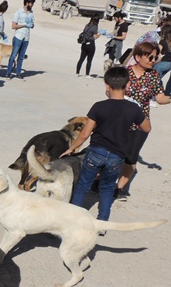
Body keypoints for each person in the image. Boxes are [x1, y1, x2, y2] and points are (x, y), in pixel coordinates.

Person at [61, 67, 148, 224]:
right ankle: (102, 223)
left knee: (83, 186)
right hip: (117, 156)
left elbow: (85, 133)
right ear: (128, 85)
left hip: (95, 152)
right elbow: (147, 127)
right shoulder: (134, 109)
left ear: (107, 85)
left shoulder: (98, 106)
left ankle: (71, 220)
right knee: (107, 189)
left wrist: (72, 148)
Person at [115, 42, 171, 201]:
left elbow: (160, 98)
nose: (154, 60)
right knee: (112, 152)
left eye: (156, 57)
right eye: (150, 57)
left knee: (131, 156)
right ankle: (99, 181)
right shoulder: (125, 73)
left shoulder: (154, 76)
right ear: (138, 57)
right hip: (119, 120)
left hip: (141, 122)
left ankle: (119, 189)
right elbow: (110, 91)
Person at [6, 0, 35, 80]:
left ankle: (18, 73)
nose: (32, 5)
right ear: (27, 3)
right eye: (31, 3)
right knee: (13, 55)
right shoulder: (18, 12)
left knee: (21, 57)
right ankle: (8, 72)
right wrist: (24, 24)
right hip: (18, 36)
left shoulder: (31, 13)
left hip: (26, 37)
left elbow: (32, 24)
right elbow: (13, 26)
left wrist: (31, 25)